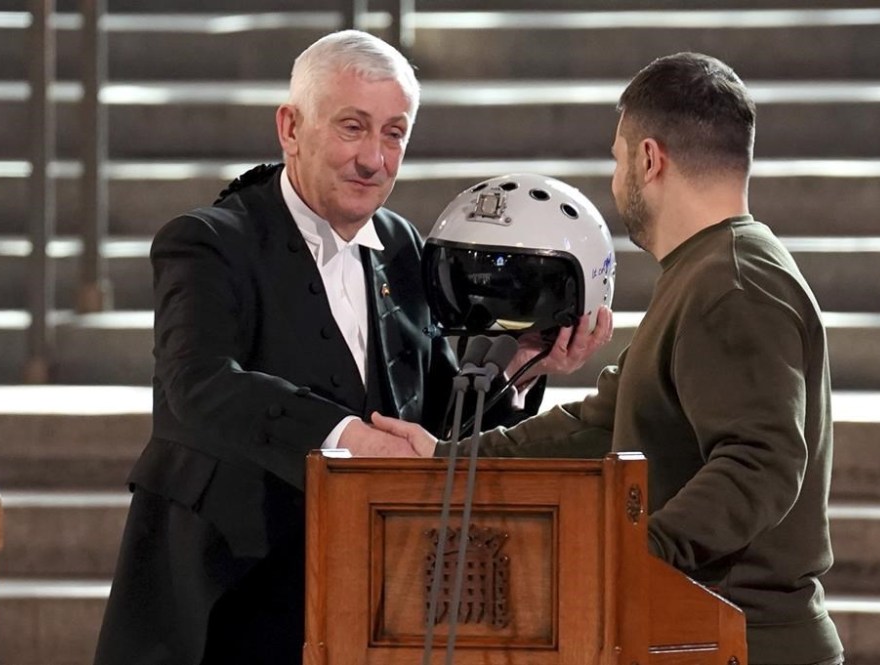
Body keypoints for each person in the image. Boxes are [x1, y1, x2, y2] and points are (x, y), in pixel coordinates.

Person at [93, 30, 612, 665]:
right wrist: (345, 437)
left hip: (373, 600)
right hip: (224, 603)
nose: (374, 158)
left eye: (394, 134)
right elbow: (198, 384)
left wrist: (524, 365)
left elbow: (436, 422)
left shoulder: (403, 245)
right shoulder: (207, 242)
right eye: (352, 127)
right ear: (290, 128)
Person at [375, 52, 844, 665]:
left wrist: (634, 552)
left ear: (650, 159)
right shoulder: (709, 271)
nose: (618, 180)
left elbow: (762, 462)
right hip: (704, 632)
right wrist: (448, 459)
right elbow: (597, 424)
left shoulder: (731, 282)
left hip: (742, 639)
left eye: (619, 160)